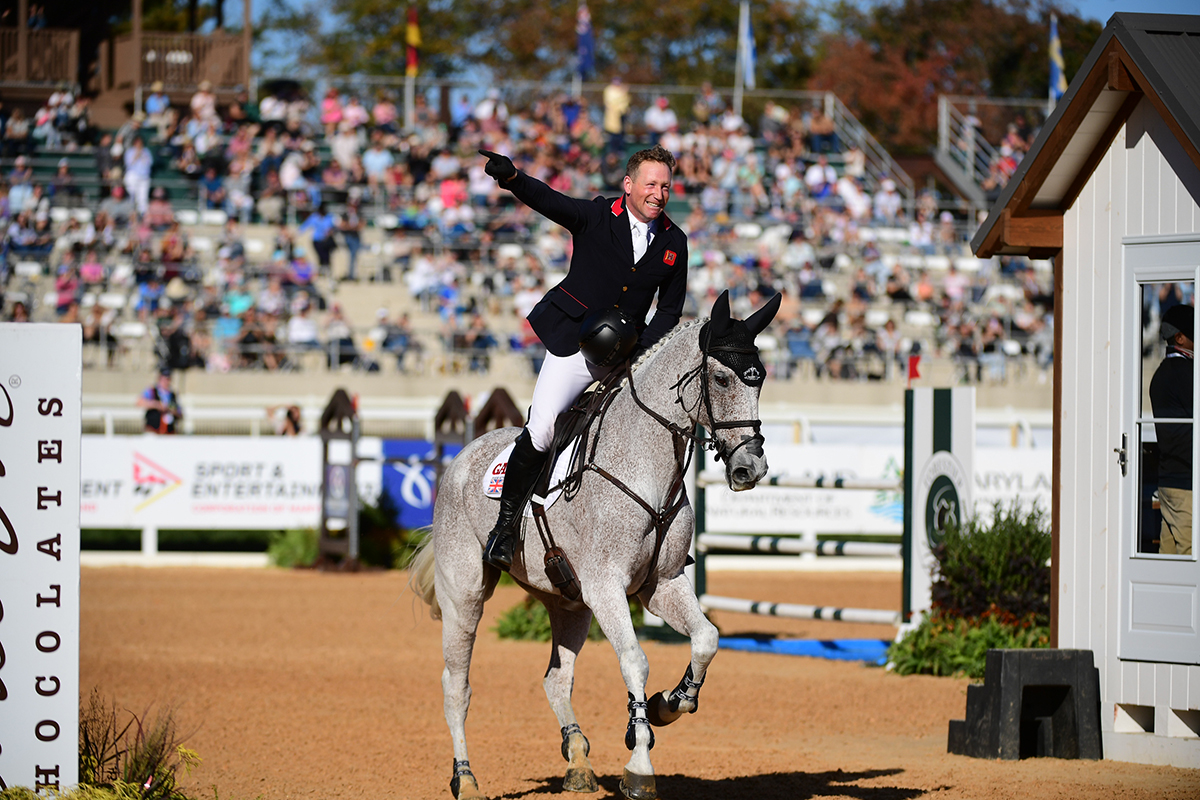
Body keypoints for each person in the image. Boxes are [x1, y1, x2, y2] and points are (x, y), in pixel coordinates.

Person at [476, 143, 689, 571]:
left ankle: (664, 543)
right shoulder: (595, 216)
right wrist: (512, 178)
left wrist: (643, 355)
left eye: (665, 186)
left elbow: (668, 310)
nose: (659, 193)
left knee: (654, 431)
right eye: (651, 184)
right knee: (542, 429)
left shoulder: (674, 241)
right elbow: (550, 202)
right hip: (575, 347)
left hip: (628, 356)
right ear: (628, 185)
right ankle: (504, 527)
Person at [1150, 304, 1194, 555]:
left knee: (1168, 559)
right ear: (1179, 337)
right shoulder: (1186, 373)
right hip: (1186, 482)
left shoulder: (1161, 374)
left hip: (1168, 481)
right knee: (1190, 559)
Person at [138, 369, 183, 434]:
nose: (165, 382)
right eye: (163, 379)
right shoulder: (151, 391)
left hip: (168, 430)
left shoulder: (172, 394)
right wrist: (156, 405)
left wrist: (172, 410)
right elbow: (139, 402)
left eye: (168, 379)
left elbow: (180, 413)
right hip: (153, 429)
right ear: (159, 379)